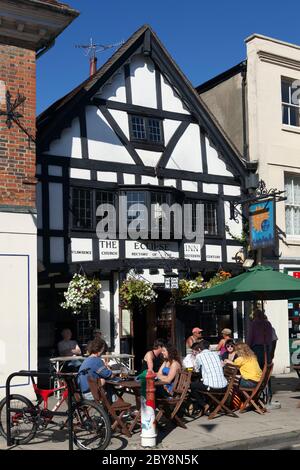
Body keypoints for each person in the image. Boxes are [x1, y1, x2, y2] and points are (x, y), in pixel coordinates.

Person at [190, 340, 228, 414]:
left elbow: (196, 370)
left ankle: (204, 405)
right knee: (201, 383)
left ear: (199, 349)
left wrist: (189, 368)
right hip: (224, 387)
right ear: (209, 347)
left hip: (211, 387)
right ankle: (210, 405)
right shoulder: (216, 354)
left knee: (193, 385)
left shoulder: (199, 356)